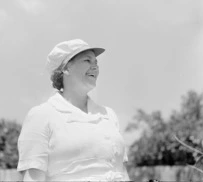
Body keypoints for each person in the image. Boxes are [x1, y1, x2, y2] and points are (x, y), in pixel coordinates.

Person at [17, 39, 130, 181]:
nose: (95, 67)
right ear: (66, 68)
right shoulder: (42, 115)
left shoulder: (109, 115)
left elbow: (121, 171)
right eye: (87, 61)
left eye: (96, 63)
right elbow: (33, 177)